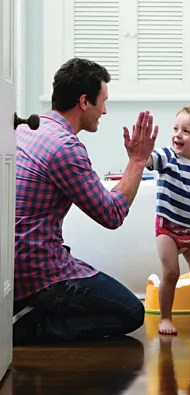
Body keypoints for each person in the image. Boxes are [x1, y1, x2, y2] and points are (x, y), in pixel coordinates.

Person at [13, 57, 158, 344]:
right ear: (84, 101)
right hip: (38, 273)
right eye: (102, 101)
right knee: (131, 312)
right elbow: (112, 214)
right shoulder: (65, 147)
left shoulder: (27, 129)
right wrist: (138, 162)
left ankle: (23, 307)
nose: (104, 110)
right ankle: (28, 326)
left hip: (11, 266)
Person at [146, 105, 190, 335]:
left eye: (186, 131)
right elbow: (149, 161)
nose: (178, 134)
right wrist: (142, 154)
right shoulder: (166, 156)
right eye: (176, 128)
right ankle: (165, 318)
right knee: (171, 273)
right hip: (166, 227)